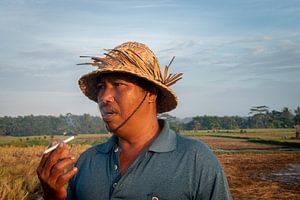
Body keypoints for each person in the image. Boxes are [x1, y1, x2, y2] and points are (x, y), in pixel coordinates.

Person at [36, 41, 232, 200]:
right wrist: (53, 196)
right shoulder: (88, 161)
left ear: (150, 93)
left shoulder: (195, 160)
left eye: (118, 84)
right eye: (102, 87)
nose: (104, 97)